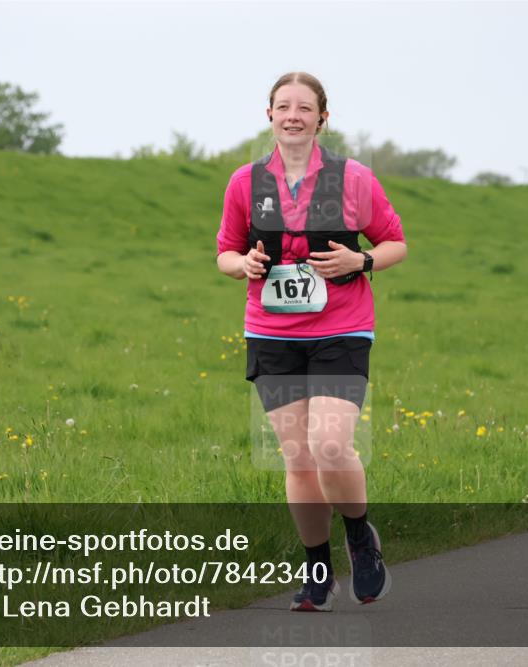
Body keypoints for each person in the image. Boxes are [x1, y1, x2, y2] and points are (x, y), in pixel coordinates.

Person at [215, 72, 407, 611]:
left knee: (329, 445)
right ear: (269, 114)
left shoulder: (354, 179)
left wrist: (360, 260)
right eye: (283, 106)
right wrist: (243, 264)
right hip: (271, 331)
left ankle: (360, 536)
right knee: (298, 459)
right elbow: (226, 252)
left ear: (323, 117)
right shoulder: (244, 183)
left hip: (341, 327)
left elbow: (395, 243)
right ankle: (318, 573)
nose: (293, 115)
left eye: (305, 107)